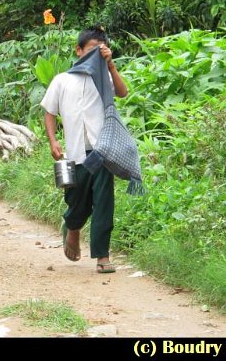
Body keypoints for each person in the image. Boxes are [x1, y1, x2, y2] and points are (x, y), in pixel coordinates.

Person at [41, 26, 128, 274]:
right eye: (90, 50)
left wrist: (110, 65)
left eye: (99, 51)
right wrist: (53, 140)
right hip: (76, 152)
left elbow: (122, 92)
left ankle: (102, 255)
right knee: (76, 200)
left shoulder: (104, 78)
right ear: (78, 51)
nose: (94, 56)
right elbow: (49, 112)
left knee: (103, 202)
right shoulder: (62, 80)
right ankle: (73, 228)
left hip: (101, 151)